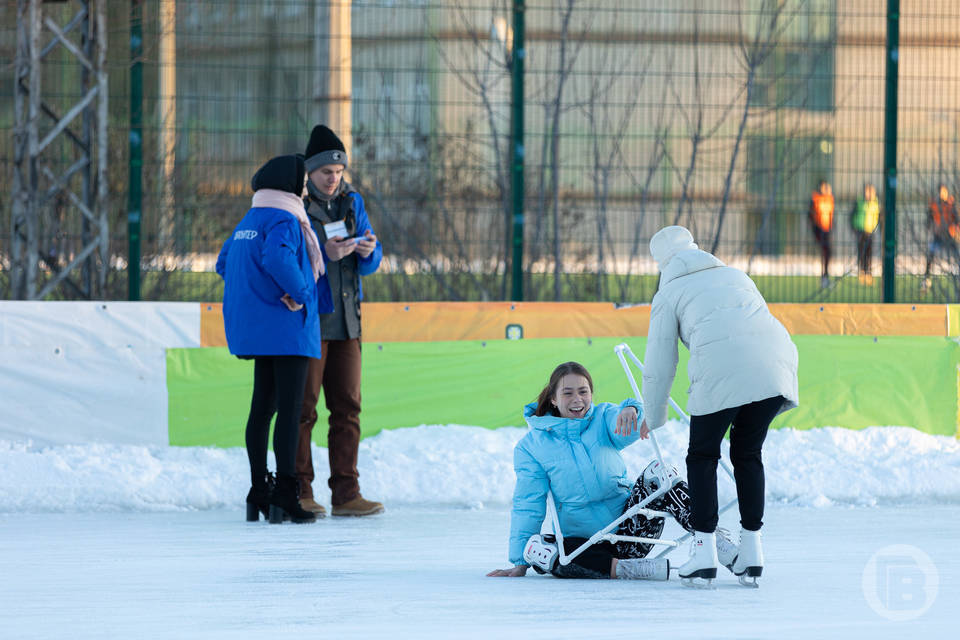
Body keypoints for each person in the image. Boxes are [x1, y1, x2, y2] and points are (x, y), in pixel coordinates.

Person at [640, 225, 798, 586]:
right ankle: (752, 551)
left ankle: (703, 553)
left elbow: (660, 362)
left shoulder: (668, 292)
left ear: (661, 263)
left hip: (721, 369)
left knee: (702, 456)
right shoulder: (735, 274)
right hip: (776, 364)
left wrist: (653, 414)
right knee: (747, 453)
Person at [486, 361, 739, 581]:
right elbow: (528, 503)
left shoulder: (602, 418)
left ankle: (715, 543)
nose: (577, 400)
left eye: (583, 392)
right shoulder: (531, 447)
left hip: (631, 532)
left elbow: (627, 423)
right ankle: (629, 570)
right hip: (586, 546)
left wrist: (631, 409)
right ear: (553, 398)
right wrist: (519, 562)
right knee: (539, 549)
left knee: (661, 472)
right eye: (568, 393)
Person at [216, 154, 332, 524]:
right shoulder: (286, 218)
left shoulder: (249, 219)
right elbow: (278, 259)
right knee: (290, 411)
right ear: (290, 184)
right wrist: (300, 293)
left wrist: (257, 296)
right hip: (286, 329)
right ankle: (285, 493)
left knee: (261, 409)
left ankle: (258, 490)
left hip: (258, 328)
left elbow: (225, 263)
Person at [295, 124, 384, 518]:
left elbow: (371, 262)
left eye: (338, 171)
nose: (333, 179)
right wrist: (324, 257)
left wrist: (368, 249)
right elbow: (289, 263)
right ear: (310, 173)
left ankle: (346, 494)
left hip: (349, 322)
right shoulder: (296, 206)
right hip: (312, 323)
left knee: (348, 408)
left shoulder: (352, 202)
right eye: (326, 172)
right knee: (303, 410)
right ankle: (300, 490)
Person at [922, 184, 959, 292]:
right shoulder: (934, 205)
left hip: (950, 236)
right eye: (940, 192)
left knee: (957, 256)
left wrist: (956, 230)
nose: (942, 194)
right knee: (930, 256)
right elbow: (928, 219)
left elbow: (956, 219)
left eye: (944, 192)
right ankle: (926, 279)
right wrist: (929, 226)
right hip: (938, 236)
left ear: (947, 192)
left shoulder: (951, 204)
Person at [850, 183, 881, 285]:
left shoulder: (876, 203)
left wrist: (876, 229)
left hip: (870, 231)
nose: (869, 194)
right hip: (860, 231)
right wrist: (854, 228)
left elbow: (879, 218)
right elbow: (852, 215)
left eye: (871, 191)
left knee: (869, 252)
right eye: (867, 191)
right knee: (861, 252)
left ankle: (869, 273)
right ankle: (862, 272)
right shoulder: (859, 202)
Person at [808, 179, 835, 288]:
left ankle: (825, 276)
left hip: (827, 230)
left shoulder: (830, 199)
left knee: (827, 253)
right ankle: (824, 277)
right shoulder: (815, 198)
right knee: (825, 251)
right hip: (819, 229)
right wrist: (814, 227)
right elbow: (810, 214)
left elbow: (832, 216)